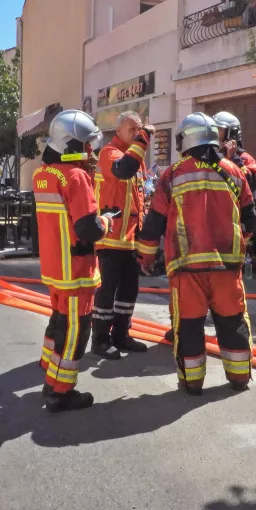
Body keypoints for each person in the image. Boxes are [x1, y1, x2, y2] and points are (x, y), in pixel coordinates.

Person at [138, 112, 256, 395]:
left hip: (186, 269)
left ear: (185, 140)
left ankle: (192, 383)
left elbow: (153, 223)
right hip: (227, 268)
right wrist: (239, 244)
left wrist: (144, 258)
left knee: (189, 327)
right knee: (232, 321)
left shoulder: (172, 174)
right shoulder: (234, 171)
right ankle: (239, 377)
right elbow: (251, 220)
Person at [33, 109, 115, 412]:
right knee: (75, 331)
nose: (90, 151)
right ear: (74, 144)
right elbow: (88, 229)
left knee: (58, 323)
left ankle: (49, 373)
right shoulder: (76, 177)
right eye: (87, 144)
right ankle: (60, 391)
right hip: (76, 270)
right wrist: (106, 220)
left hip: (54, 269)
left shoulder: (42, 175)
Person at [91, 111, 153, 359]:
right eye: (132, 130)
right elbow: (124, 169)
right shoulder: (110, 154)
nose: (137, 134)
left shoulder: (136, 159)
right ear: (118, 132)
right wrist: (145, 138)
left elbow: (138, 201)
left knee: (129, 291)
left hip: (128, 240)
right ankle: (100, 340)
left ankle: (121, 335)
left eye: (139, 129)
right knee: (107, 292)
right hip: (109, 239)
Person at [212, 111, 256, 193]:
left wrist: (234, 158)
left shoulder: (245, 158)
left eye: (219, 129)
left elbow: (252, 185)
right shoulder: (214, 155)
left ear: (231, 132)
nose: (215, 133)